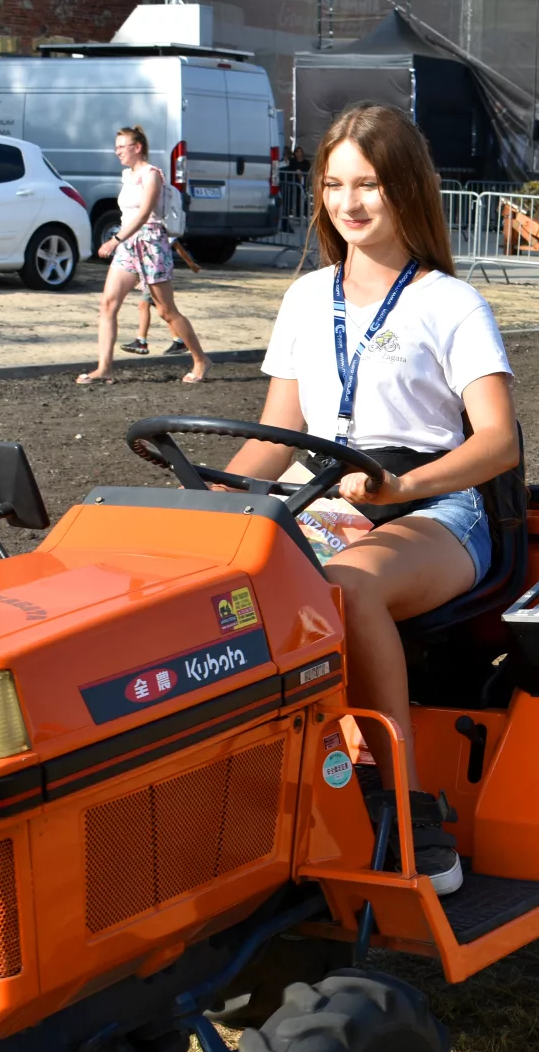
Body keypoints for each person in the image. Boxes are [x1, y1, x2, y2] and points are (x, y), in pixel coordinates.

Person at [219, 103, 518, 896]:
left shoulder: (450, 303)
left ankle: (405, 804)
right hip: (326, 495)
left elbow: (498, 441)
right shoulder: (306, 297)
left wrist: (407, 485)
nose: (348, 203)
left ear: (406, 189)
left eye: (368, 185)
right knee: (215, 586)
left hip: (434, 507)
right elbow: (280, 434)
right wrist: (206, 502)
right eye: (334, 185)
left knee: (347, 587)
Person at [80, 126, 211, 384]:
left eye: (122, 146)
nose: (117, 151)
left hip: (151, 245)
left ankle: (200, 359)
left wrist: (114, 240)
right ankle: (104, 369)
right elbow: (129, 215)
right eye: (116, 147)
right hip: (128, 246)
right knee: (108, 304)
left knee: (166, 311)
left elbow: (143, 215)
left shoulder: (151, 175)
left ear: (137, 147)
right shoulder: (128, 175)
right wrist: (121, 242)